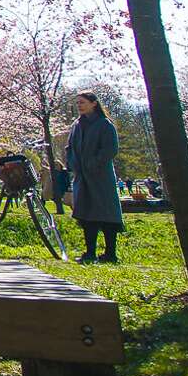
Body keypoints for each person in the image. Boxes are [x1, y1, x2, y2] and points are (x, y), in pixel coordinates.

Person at [63, 91, 122, 264]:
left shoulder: (104, 125)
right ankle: (90, 252)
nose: (79, 105)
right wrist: (73, 164)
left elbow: (110, 149)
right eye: (78, 103)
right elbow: (70, 148)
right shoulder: (77, 125)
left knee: (106, 215)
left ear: (93, 103)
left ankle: (110, 253)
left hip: (101, 177)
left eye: (82, 102)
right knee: (86, 215)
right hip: (82, 176)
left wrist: (93, 163)